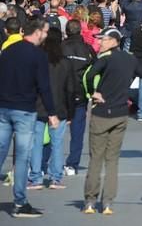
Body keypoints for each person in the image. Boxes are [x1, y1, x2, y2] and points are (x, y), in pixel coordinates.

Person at [82, 27, 142, 215]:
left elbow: (89, 75)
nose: (100, 42)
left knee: (96, 159)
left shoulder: (105, 59)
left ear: (114, 41)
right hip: (120, 113)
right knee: (112, 161)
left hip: (101, 113)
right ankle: (108, 202)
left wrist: (92, 94)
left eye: (104, 39)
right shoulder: (130, 59)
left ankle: (90, 202)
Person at [0, 17, 59, 218]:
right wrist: (51, 112)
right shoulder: (38, 55)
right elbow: (44, 86)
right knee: (22, 157)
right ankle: (19, 202)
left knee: (0, 151)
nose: (46, 36)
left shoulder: (7, 51)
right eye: (46, 32)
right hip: (25, 109)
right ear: (39, 32)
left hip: (4, 107)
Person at [27, 27, 73, 191]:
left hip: (38, 106)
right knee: (57, 144)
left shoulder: (37, 59)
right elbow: (70, 89)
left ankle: (36, 177)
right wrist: (70, 112)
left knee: (36, 143)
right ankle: (56, 177)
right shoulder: (65, 62)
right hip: (59, 106)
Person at [62, 19, 94, 176]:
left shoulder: (60, 48)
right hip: (80, 94)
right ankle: (72, 164)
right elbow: (95, 71)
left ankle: (42, 164)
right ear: (80, 31)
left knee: (52, 131)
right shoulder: (87, 49)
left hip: (61, 94)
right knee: (77, 132)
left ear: (66, 32)